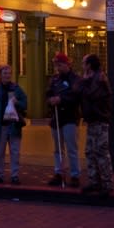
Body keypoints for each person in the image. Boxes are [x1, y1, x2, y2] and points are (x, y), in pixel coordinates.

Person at [77, 53, 113, 197]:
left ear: (89, 65)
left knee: (101, 152)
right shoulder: (92, 78)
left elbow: (90, 94)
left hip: (100, 119)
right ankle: (95, 181)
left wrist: (84, 82)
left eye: (84, 63)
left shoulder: (99, 79)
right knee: (90, 151)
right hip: (92, 119)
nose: (82, 65)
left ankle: (106, 183)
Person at [0, 65, 27, 185]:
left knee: (15, 151)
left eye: (9, 73)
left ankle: (14, 175)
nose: (7, 75)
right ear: (0, 75)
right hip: (0, 126)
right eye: (5, 73)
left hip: (14, 125)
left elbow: (25, 103)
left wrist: (17, 102)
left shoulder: (16, 89)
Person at [45, 51, 81, 187]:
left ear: (67, 64)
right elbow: (48, 94)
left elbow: (76, 96)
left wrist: (61, 99)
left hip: (70, 117)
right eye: (56, 65)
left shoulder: (75, 79)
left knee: (71, 147)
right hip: (57, 117)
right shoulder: (54, 80)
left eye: (60, 65)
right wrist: (50, 101)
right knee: (57, 148)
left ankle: (75, 175)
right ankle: (59, 173)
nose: (58, 68)